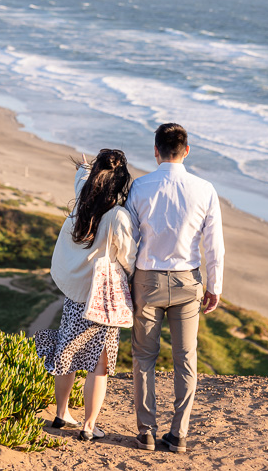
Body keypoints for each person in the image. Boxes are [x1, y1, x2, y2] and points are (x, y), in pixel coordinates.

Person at [125, 123, 224, 453]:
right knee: (186, 359)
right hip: (187, 280)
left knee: (143, 357)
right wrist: (215, 285)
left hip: (147, 280)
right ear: (186, 150)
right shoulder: (205, 189)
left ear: (156, 151)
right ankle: (179, 433)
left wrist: (127, 280)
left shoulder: (139, 187)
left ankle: (146, 431)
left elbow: (128, 242)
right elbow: (214, 245)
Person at [34, 149, 137, 442]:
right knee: (99, 362)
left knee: (67, 352)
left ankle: (61, 413)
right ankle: (89, 426)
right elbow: (129, 257)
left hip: (76, 293)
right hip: (101, 298)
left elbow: (82, 180)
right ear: (119, 184)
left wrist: (83, 168)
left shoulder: (82, 204)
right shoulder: (118, 216)